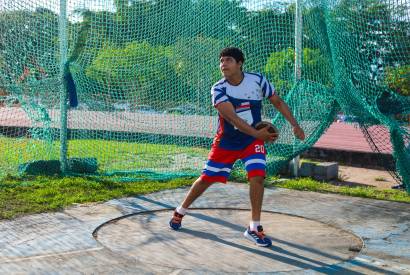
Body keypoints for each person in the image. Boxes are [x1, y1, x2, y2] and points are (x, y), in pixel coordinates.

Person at [169, 47, 305, 247]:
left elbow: (277, 101)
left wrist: (295, 124)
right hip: (228, 142)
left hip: (251, 141)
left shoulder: (257, 80)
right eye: (221, 61)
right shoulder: (219, 88)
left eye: (228, 60)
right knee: (207, 179)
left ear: (240, 63)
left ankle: (254, 227)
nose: (223, 64)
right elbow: (231, 117)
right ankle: (180, 211)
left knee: (258, 177)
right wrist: (257, 133)